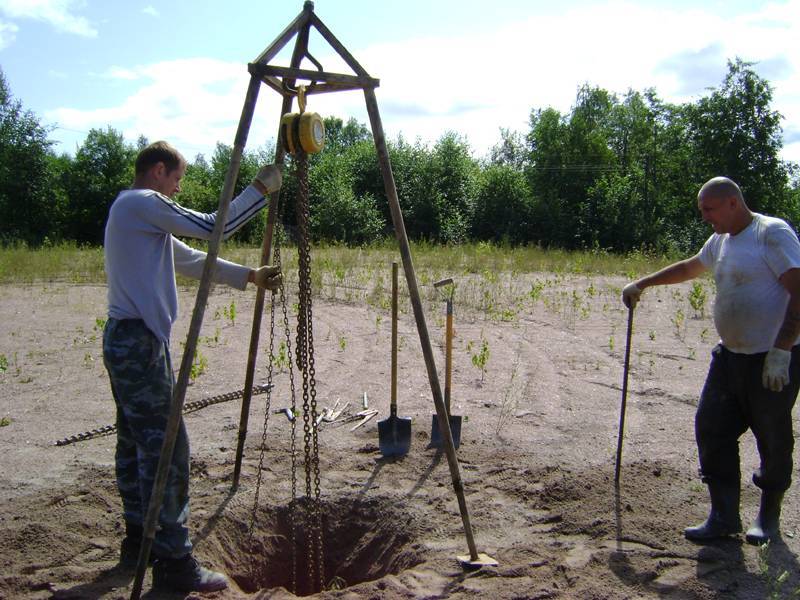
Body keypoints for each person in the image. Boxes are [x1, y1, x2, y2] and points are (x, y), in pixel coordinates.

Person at [102, 141, 283, 592]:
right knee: (168, 447)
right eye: (177, 180)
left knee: (136, 443)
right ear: (158, 171)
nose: (177, 191)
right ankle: (173, 562)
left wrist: (248, 276)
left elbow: (191, 259)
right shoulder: (143, 202)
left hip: (131, 340)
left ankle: (138, 541)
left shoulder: (135, 216)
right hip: (138, 344)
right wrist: (260, 189)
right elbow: (214, 227)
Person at [622, 176, 800, 546]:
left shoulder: (772, 233)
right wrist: (643, 283)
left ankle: (768, 519)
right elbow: (690, 267)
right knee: (711, 428)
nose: (705, 218)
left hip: (772, 359)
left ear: (732, 203)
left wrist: (782, 349)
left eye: (709, 210)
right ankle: (723, 516)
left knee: (772, 436)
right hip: (730, 356)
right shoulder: (721, 240)